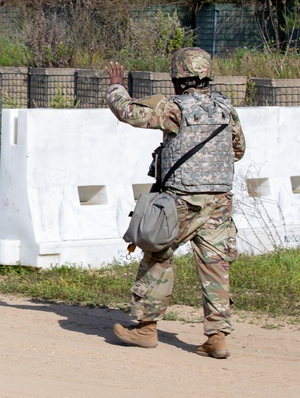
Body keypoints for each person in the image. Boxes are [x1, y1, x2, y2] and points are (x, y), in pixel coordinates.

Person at [104, 47, 246, 359]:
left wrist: (117, 86)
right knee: (216, 266)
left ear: (178, 78)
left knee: (158, 253)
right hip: (220, 200)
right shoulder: (225, 108)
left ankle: (146, 328)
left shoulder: (176, 109)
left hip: (183, 199)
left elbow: (129, 113)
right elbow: (238, 149)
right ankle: (217, 337)